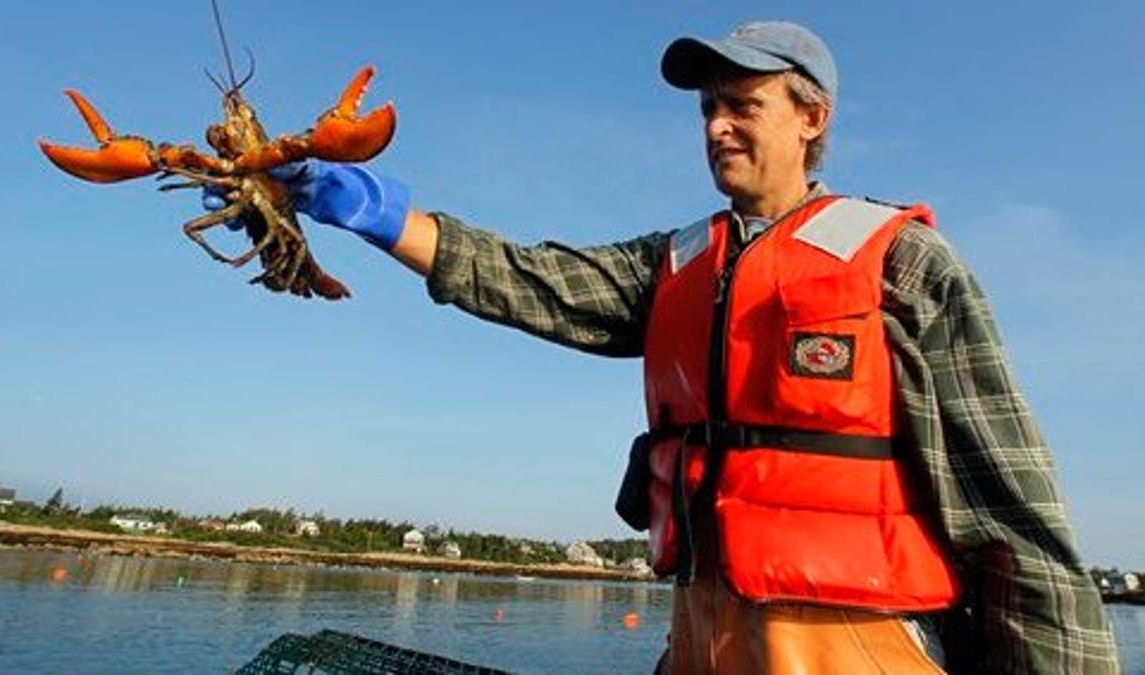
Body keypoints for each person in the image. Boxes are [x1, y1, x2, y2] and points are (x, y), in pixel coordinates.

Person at [208, 21, 1120, 674]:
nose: (717, 125)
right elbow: (531, 279)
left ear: (811, 117)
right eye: (708, 109)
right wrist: (383, 218)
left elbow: (1014, 506)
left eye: (742, 104)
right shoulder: (674, 262)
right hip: (700, 632)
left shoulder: (903, 259)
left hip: (856, 640)